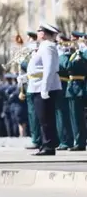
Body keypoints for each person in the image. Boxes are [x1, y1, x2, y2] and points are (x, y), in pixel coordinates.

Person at [26, 23, 61, 156]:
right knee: (42, 118)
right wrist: (25, 77)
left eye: (39, 30)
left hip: (45, 87)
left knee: (46, 118)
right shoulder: (42, 47)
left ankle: (49, 145)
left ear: (44, 33)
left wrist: (45, 88)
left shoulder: (48, 47)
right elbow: (37, 68)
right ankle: (45, 144)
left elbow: (49, 68)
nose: (37, 32)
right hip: (36, 85)